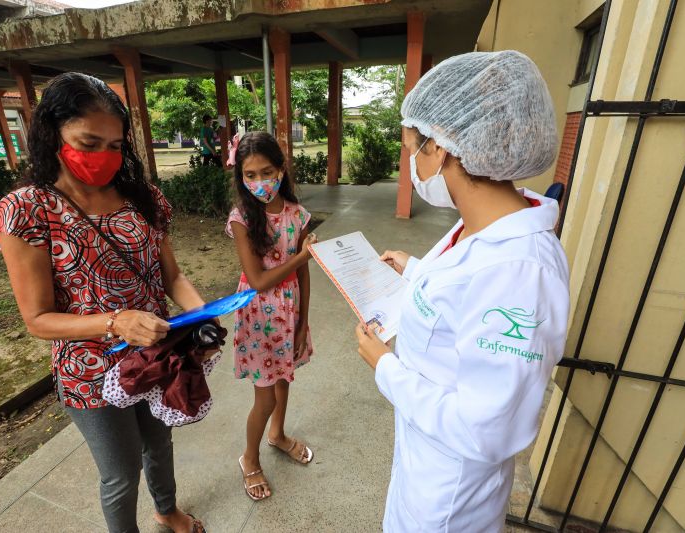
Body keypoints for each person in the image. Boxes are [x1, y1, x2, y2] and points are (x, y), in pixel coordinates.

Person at [354, 50, 570, 532]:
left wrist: (384, 366)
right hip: (422, 466)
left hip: (450, 504)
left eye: (414, 148)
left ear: (444, 148)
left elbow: (487, 430)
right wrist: (415, 271)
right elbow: (465, 293)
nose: (412, 162)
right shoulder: (485, 224)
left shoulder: (521, 273)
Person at [0, 72, 208, 533]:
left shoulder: (143, 198)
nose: (103, 157)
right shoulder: (28, 210)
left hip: (156, 355)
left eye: (114, 145)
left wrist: (201, 317)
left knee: (159, 443)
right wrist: (116, 322)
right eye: (89, 142)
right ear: (52, 133)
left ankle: (166, 511)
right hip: (89, 372)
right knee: (121, 473)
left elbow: (173, 276)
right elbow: (38, 319)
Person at [225, 131, 318, 501]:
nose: (260, 182)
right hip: (258, 317)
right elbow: (260, 280)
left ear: (281, 168)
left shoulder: (298, 215)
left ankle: (277, 435)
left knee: (285, 379)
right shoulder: (241, 220)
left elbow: (304, 274)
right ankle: (249, 458)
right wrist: (301, 257)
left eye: (267, 171)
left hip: (290, 312)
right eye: (250, 175)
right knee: (263, 397)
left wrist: (303, 321)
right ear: (240, 177)